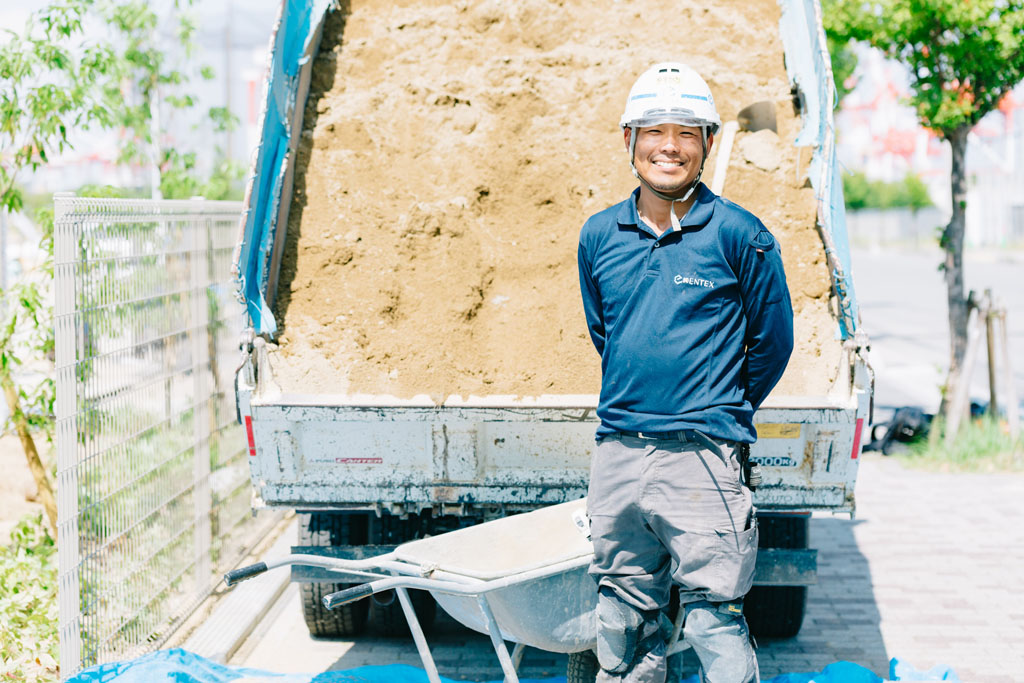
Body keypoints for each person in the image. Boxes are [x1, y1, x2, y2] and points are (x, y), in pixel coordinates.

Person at [577, 62, 794, 682]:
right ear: (629, 141)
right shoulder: (599, 236)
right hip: (619, 452)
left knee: (712, 620)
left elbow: (772, 342)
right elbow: (607, 334)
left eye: (686, 133)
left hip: (701, 457)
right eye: (654, 130)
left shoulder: (740, 235)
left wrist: (716, 403)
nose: (668, 146)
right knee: (620, 618)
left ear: (706, 144)